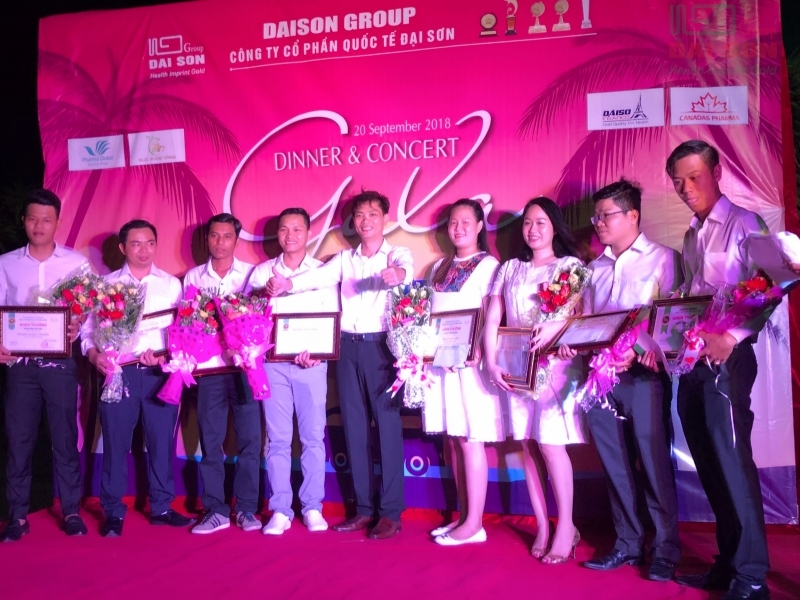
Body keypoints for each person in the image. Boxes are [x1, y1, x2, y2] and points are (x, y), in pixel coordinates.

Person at [266, 191, 412, 540]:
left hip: (383, 348)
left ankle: (390, 512)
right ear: (352, 222)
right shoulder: (344, 259)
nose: (366, 221)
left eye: (373, 214)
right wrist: (287, 284)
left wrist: (397, 274)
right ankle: (363, 509)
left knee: (387, 428)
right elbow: (315, 278)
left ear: (385, 219)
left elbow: (404, 271)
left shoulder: (396, 253)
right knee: (355, 428)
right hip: (346, 348)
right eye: (359, 215)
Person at [667, 141, 771, 600]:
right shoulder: (692, 233)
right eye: (678, 181)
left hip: (727, 363)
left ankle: (752, 577)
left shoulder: (745, 222)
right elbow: (694, 294)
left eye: (694, 177)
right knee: (709, 464)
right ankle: (729, 563)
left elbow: (778, 279)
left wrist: (733, 336)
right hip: (694, 364)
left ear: (716, 172)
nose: (686, 188)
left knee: (732, 463)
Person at [577, 179, 682, 581]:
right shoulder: (594, 269)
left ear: (633, 215)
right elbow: (589, 323)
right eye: (596, 217)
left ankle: (665, 549)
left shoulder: (663, 259)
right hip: (601, 380)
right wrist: (577, 345)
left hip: (644, 377)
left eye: (607, 215)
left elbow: (672, 318)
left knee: (654, 462)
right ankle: (627, 543)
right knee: (615, 464)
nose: (599, 223)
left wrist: (638, 351)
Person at [484, 197, 587, 564]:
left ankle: (566, 527)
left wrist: (557, 330)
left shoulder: (570, 266)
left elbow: (579, 315)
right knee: (529, 445)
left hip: (555, 367)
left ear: (555, 226)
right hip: (516, 366)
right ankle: (543, 525)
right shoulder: (510, 268)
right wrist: (491, 361)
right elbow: (493, 317)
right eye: (528, 222)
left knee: (551, 444)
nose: (533, 229)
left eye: (541, 222)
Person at [82, 219, 193, 537]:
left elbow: (183, 330)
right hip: (119, 374)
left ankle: (161, 507)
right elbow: (88, 332)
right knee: (115, 442)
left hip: (160, 373)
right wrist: (94, 355)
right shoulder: (105, 285)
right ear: (122, 247)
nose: (144, 250)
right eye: (135, 243)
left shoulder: (171, 285)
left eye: (149, 243)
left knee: (161, 441)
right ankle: (113, 511)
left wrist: (165, 355)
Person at [0, 189, 88, 542]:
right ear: (24, 221)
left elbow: (90, 314)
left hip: (61, 364)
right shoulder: (5, 263)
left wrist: (78, 327)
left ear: (57, 223)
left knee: (65, 438)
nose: (39, 226)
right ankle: (17, 515)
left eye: (46, 219)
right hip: (19, 367)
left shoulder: (76, 264)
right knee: (18, 440)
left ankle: (71, 510)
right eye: (33, 218)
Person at [249, 208, 339, 535]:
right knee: (277, 439)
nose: (290, 235)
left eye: (297, 229)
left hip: (311, 366)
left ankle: (312, 506)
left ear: (309, 233)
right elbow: (248, 319)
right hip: (272, 366)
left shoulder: (321, 273)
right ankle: (280, 509)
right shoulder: (261, 273)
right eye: (284, 229)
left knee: (313, 437)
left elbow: (332, 317)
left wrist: (318, 352)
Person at [423, 200, 504, 546]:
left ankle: (474, 524)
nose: (458, 228)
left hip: (471, 365)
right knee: (455, 440)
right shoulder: (438, 267)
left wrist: (482, 349)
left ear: (480, 225)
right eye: (453, 223)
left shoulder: (489, 266)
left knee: (471, 440)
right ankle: (463, 516)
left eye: (466, 222)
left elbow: (492, 315)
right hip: (441, 364)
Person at [183, 214, 262, 534]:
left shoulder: (251, 275)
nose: (220, 242)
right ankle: (215, 509)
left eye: (227, 236)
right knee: (210, 439)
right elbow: (186, 323)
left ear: (236, 240)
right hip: (209, 371)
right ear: (208, 239)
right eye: (214, 236)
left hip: (244, 369)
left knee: (250, 440)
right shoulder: (193, 277)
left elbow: (259, 319)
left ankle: (246, 508)